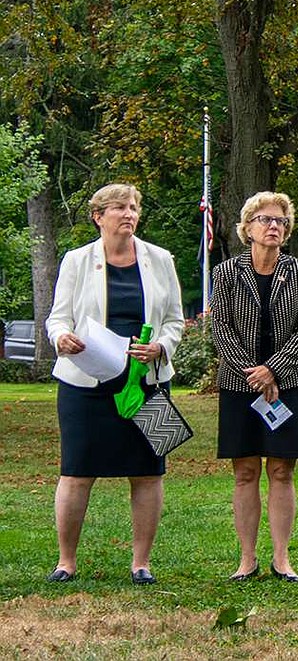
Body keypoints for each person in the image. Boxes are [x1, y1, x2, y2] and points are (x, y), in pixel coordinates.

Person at [45, 183, 185, 584]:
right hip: (84, 379)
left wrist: (162, 346)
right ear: (98, 216)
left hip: (148, 378)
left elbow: (175, 320)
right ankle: (66, 562)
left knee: (148, 470)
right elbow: (57, 318)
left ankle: (141, 563)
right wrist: (61, 338)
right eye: (120, 208)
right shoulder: (76, 260)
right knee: (76, 470)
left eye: (134, 207)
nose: (129, 214)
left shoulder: (160, 259)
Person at [210, 191, 298, 582]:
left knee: (281, 470)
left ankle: (282, 558)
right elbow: (219, 327)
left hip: (287, 383)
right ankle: (247, 558)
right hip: (239, 385)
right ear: (247, 228)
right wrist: (250, 372)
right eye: (266, 220)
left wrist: (272, 370)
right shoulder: (226, 273)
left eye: (281, 222)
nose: (274, 227)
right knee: (244, 471)